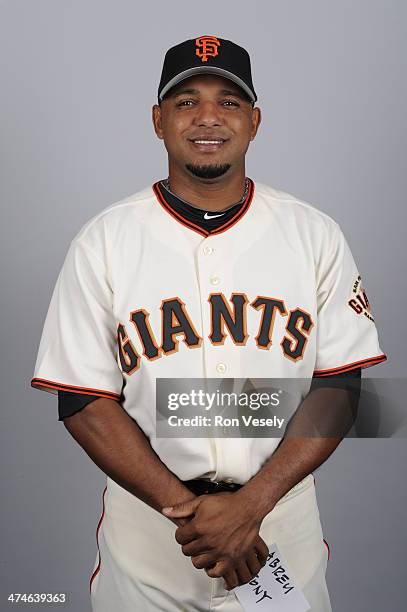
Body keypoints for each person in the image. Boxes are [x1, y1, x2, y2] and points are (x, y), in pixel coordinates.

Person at [31, 35, 387, 611]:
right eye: (186, 101)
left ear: (254, 121)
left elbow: (342, 388)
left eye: (229, 101)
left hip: (278, 525)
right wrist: (192, 515)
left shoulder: (313, 233)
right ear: (158, 120)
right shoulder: (104, 240)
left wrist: (252, 506)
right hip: (150, 534)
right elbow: (82, 401)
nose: (207, 117)